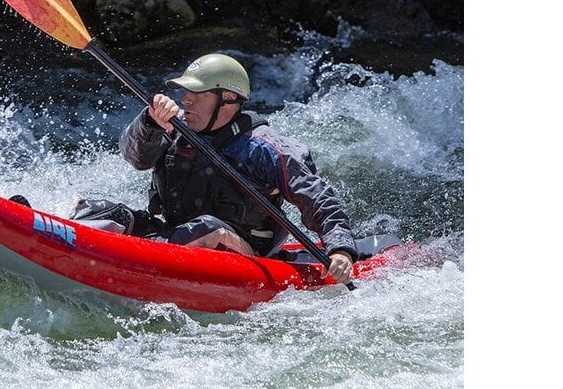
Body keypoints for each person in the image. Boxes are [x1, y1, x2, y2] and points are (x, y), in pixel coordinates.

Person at [73, 53, 358, 285]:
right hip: (174, 237)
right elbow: (135, 158)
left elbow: (317, 197)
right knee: (103, 211)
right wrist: (149, 122)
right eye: (186, 91)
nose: (185, 100)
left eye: (197, 93)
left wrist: (340, 250)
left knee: (210, 229)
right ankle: (65, 242)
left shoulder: (262, 147)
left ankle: (127, 261)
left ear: (228, 99)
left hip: (244, 254)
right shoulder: (175, 126)